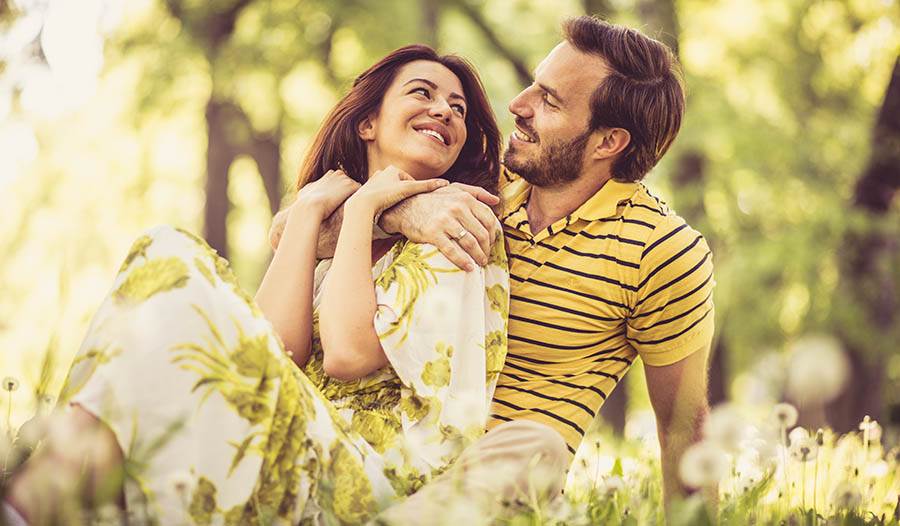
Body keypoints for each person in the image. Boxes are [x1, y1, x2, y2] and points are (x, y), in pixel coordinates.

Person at [2, 45, 515, 525]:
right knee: (162, 262)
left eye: (459, 108)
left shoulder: (457, 224)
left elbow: (348, 354)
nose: (446, 111)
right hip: (295, 440)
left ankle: (34, 501)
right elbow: (272, 347)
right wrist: (312, 209)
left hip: (376, 486)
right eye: (422, 93)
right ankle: (45, 498)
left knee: (174, 257)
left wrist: (363, 208)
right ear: (367, 122)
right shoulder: (334, 237)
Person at [272, 15, 716, 520]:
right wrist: (403, 210)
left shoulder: (661, 251)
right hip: (393, 445)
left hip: (491, 477)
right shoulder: (484, 181)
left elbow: (683, 427)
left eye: (549, 100)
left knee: (534, 448)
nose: (517, 105)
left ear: (607, 142)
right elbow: (291, 231)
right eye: (533, 85)